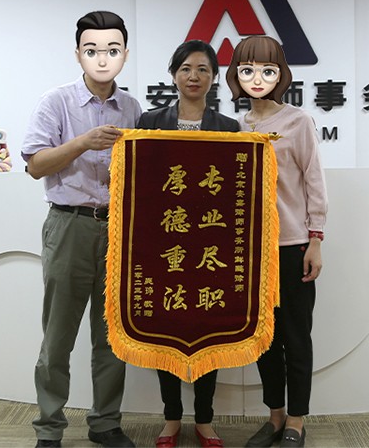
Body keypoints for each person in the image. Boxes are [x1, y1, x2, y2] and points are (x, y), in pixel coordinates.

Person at [21, 11, 142, 448]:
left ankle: (105, 423)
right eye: (92, 50)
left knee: (112, 336)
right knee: (58, 335)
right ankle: (49, 427)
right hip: (69, 224)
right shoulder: (56, 102)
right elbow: (35, 165)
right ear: (78, 54)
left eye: (112, 50)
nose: (102, 59)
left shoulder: (132, 108)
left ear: (124, 54)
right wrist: (82, 143)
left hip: (119, 230)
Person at [225, 36, 327, 448]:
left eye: (267, 70)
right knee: (264, 339)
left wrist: (316, 239)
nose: (256, 78)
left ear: (280, 75)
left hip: (293, 245)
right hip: (252, 250)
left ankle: (297, 421)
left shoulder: (297, 121)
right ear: (235, 76)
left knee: (296, 337)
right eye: (247, 70)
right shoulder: (236, 127)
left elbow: (314, 181)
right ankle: (275, 417)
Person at [136, 40, 239, 448]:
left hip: (210, 244)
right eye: (186, 69)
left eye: (203, 70)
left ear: (214, 78)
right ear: (173, 75)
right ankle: (171, 418)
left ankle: (205, 420)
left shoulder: (229, 128)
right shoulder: (149, 122)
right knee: (166, 331)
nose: (193, 77)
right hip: (164, 243)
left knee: (208, 331)